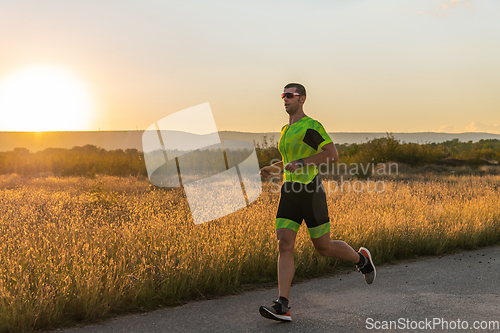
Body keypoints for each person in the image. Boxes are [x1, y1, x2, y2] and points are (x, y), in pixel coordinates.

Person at [258, 83, 376, 322]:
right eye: (283, 95)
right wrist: (274, 168)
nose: (285, 99)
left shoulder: (310, 126)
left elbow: (331, 155)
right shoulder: (285, 129)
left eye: (290, 95)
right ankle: (283, 304)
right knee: (284, 245)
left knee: (323, 248)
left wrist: (302, 162)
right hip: (289, 191)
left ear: (302, 99)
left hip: (311, 192)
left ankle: (361, 259)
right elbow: (288, 160)